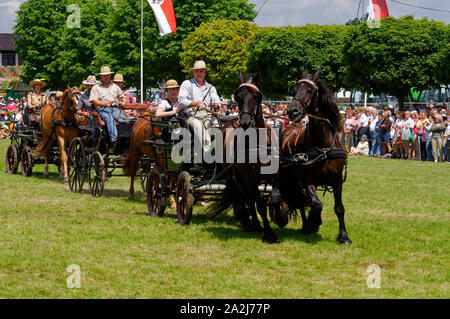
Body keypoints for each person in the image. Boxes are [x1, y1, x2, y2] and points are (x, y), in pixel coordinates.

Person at [178, 60, 221, 154]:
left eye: (201, 71)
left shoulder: (211, 87)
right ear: (193, 72)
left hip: (209, 116)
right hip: (192, 116)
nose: (199, 73)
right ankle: (208, 155)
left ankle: (221, 152)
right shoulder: (187, 84)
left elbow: (217, 101)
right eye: (196, 71)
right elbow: (181, 101)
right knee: (200, 128)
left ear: (205, 72)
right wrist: (195, 103)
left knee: (220, 130)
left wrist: (216, 104)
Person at [89, 66, 126, 149]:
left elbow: (122, 96)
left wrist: (123, 102)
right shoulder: (96, 87)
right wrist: (104, 103)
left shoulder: (115, 86)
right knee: (109, 117)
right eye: (104, 75)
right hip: (102, 109)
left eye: (108, 75)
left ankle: (126, 137)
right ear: (101, 76)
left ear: (110, 75)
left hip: (115, 108)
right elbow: (93, 100)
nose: (106, 77)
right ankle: (114, 140)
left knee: (124, 118)